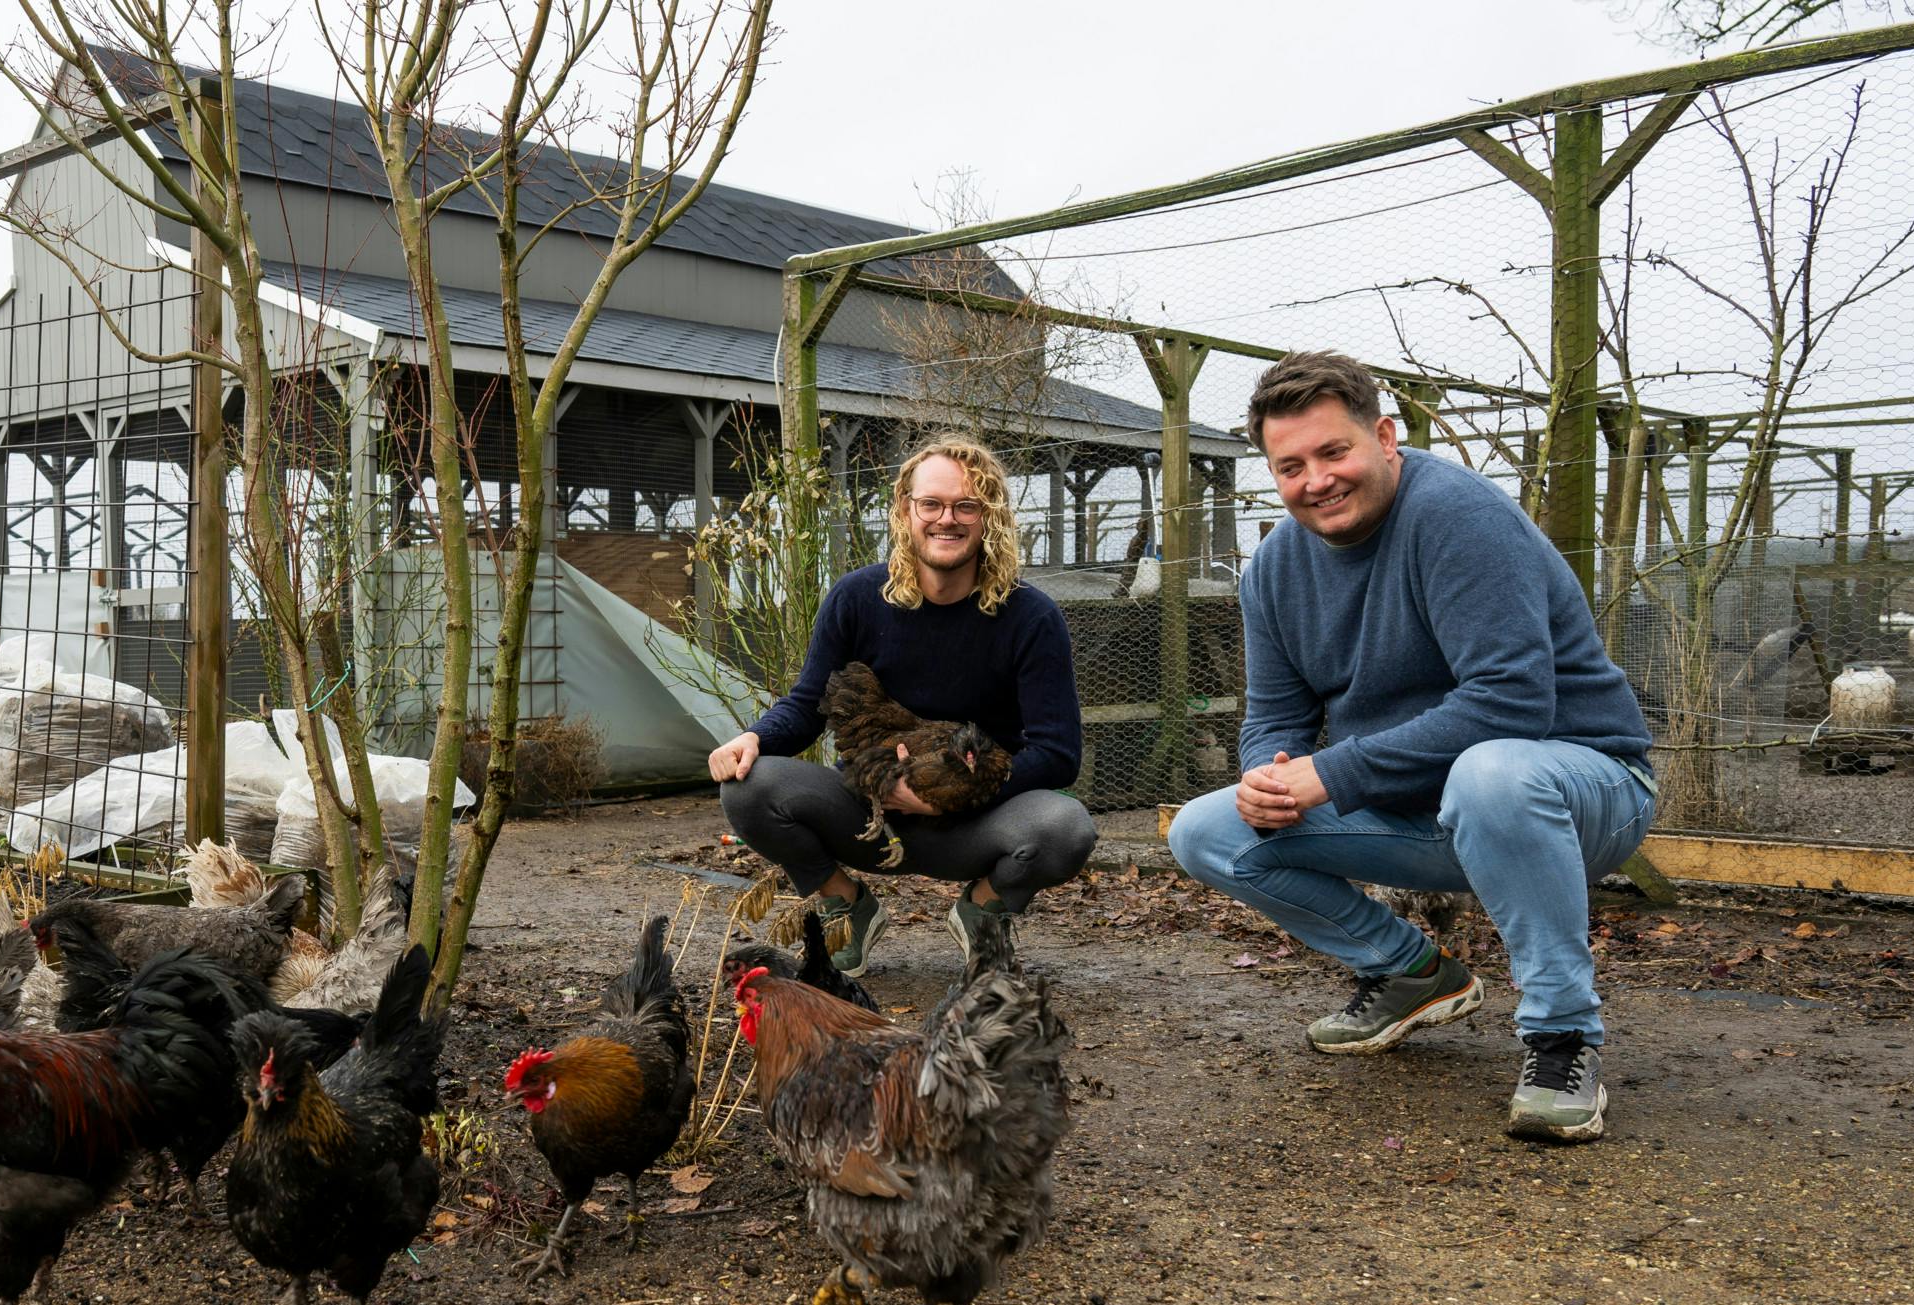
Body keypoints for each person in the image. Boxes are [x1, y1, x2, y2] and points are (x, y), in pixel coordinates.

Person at [1167, 351, 1657, 1144]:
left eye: (1334, 452)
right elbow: (1275, 717)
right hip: (1422, 815)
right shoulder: (1274, 572)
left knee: (1489, 772)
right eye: (1291, 466)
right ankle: (1407, 973)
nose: (1316, 479)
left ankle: (1562, 1037)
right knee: (1207, 829)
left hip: (1575, 788)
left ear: (1385, 437)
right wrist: (1268, 773)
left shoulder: (1456, 516)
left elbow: (1511, 702)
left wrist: (1332, 771)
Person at [709, 435, 1094, 974]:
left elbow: (1058, 752)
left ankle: (983, 911)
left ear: (989, 519)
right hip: (872, 817)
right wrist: (755, 737)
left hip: (975, 824)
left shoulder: (1030, 617)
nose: (947, 519)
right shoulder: (858, 598)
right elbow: (807, 704)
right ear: (905, 510)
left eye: (967, 506)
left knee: (1066, 829)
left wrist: (950, 795)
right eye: (931, 504)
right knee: (749, 788)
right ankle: (846, 904)